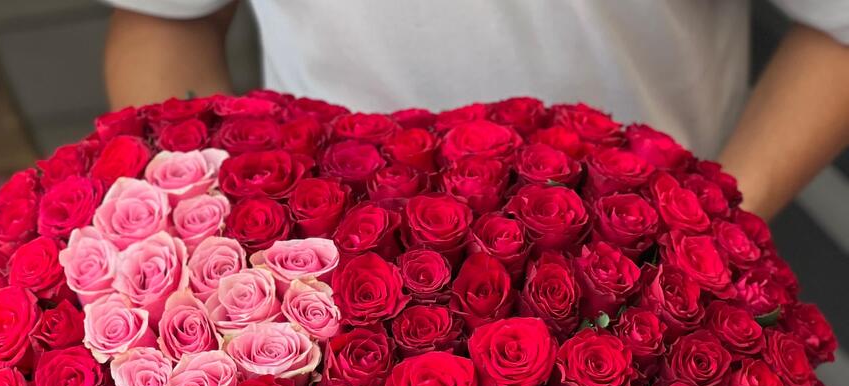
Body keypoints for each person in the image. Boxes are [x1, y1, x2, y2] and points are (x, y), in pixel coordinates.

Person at [103, 1, 849, 221]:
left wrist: (714, 224)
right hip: (316, 275)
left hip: (639, 280)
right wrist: (205, 218)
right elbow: (169, 20)